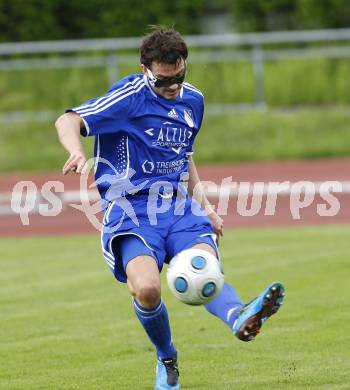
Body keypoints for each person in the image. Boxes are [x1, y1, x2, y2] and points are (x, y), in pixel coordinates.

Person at [55, 27, 285, 390]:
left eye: (179, 76)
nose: (173, 87)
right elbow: (67, 120)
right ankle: (167, 358)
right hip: (131, 210)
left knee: (204, 268)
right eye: (164, 81)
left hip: (177, 207)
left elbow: (185, 158)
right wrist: (76, 149)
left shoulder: (192, 100)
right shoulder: (129, 97)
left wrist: (206, 207)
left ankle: (239, 316)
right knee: (146, 289)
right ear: (146, 69)